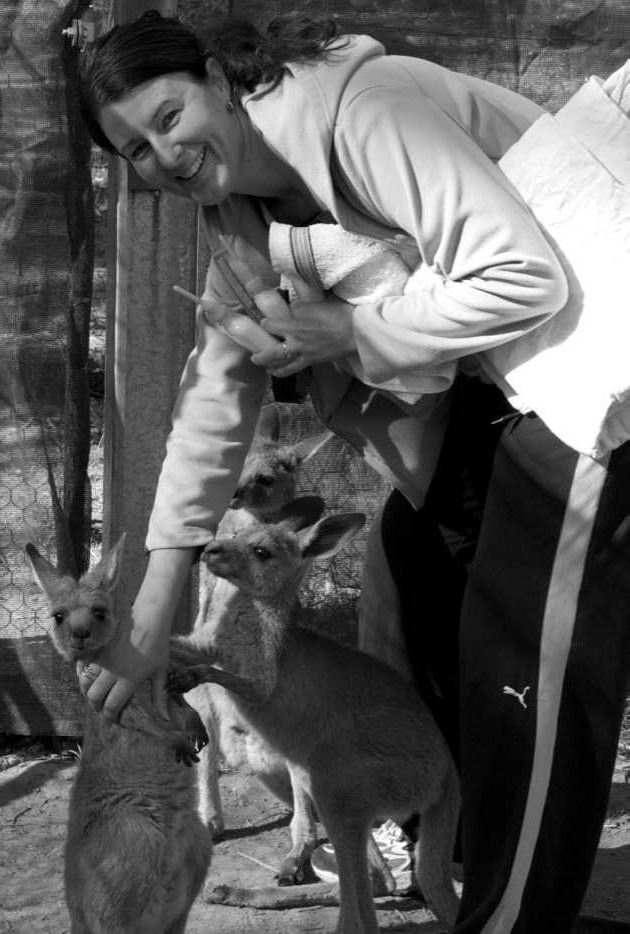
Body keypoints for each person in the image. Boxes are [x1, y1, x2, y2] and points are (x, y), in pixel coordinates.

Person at [75, 11, 630, 934]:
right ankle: (447, 864)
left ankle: (514, 914)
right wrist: (145, 617)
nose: (163, 155)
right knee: (413, 574)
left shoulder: (365, 114)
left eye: (167, 117)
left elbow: (525, 276)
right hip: (505, 386)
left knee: (520, 649)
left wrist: (350, 335)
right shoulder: (241, 217)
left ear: (216, 78)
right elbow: (212, 406)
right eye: (134, 148)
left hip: (594, 365)